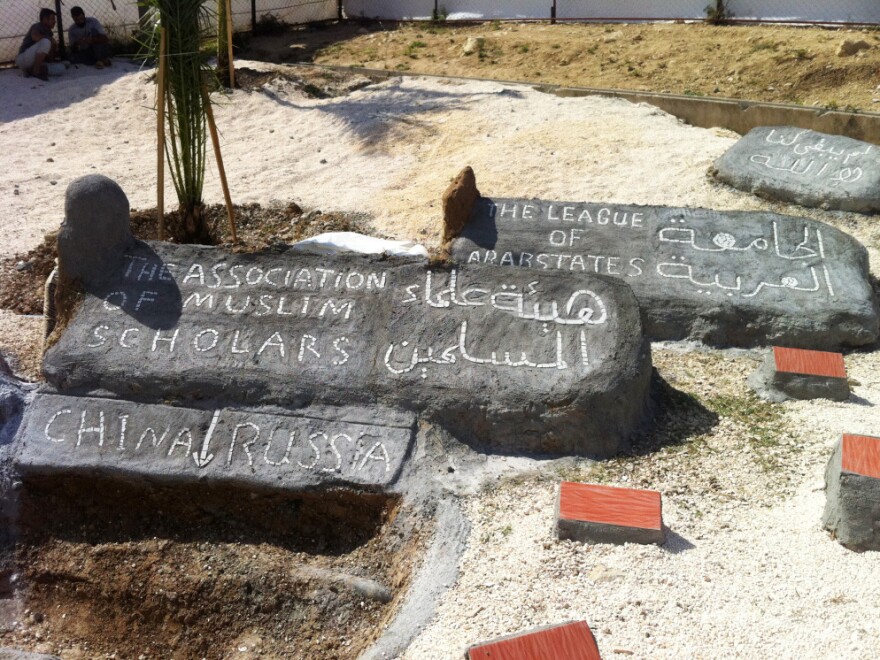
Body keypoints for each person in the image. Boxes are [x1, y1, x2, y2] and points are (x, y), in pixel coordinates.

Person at [16, 8, 58, 81]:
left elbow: (49, 50)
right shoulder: (37, 26)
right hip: (23, 58)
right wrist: (50, 39)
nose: (55, 21)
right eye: (52, 19)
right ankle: (36, 71)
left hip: (33, 61)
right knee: (46, 41)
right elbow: (35, 37)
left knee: (62, 68)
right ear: (45, 19)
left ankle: (30, 70)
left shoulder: (49, 31)